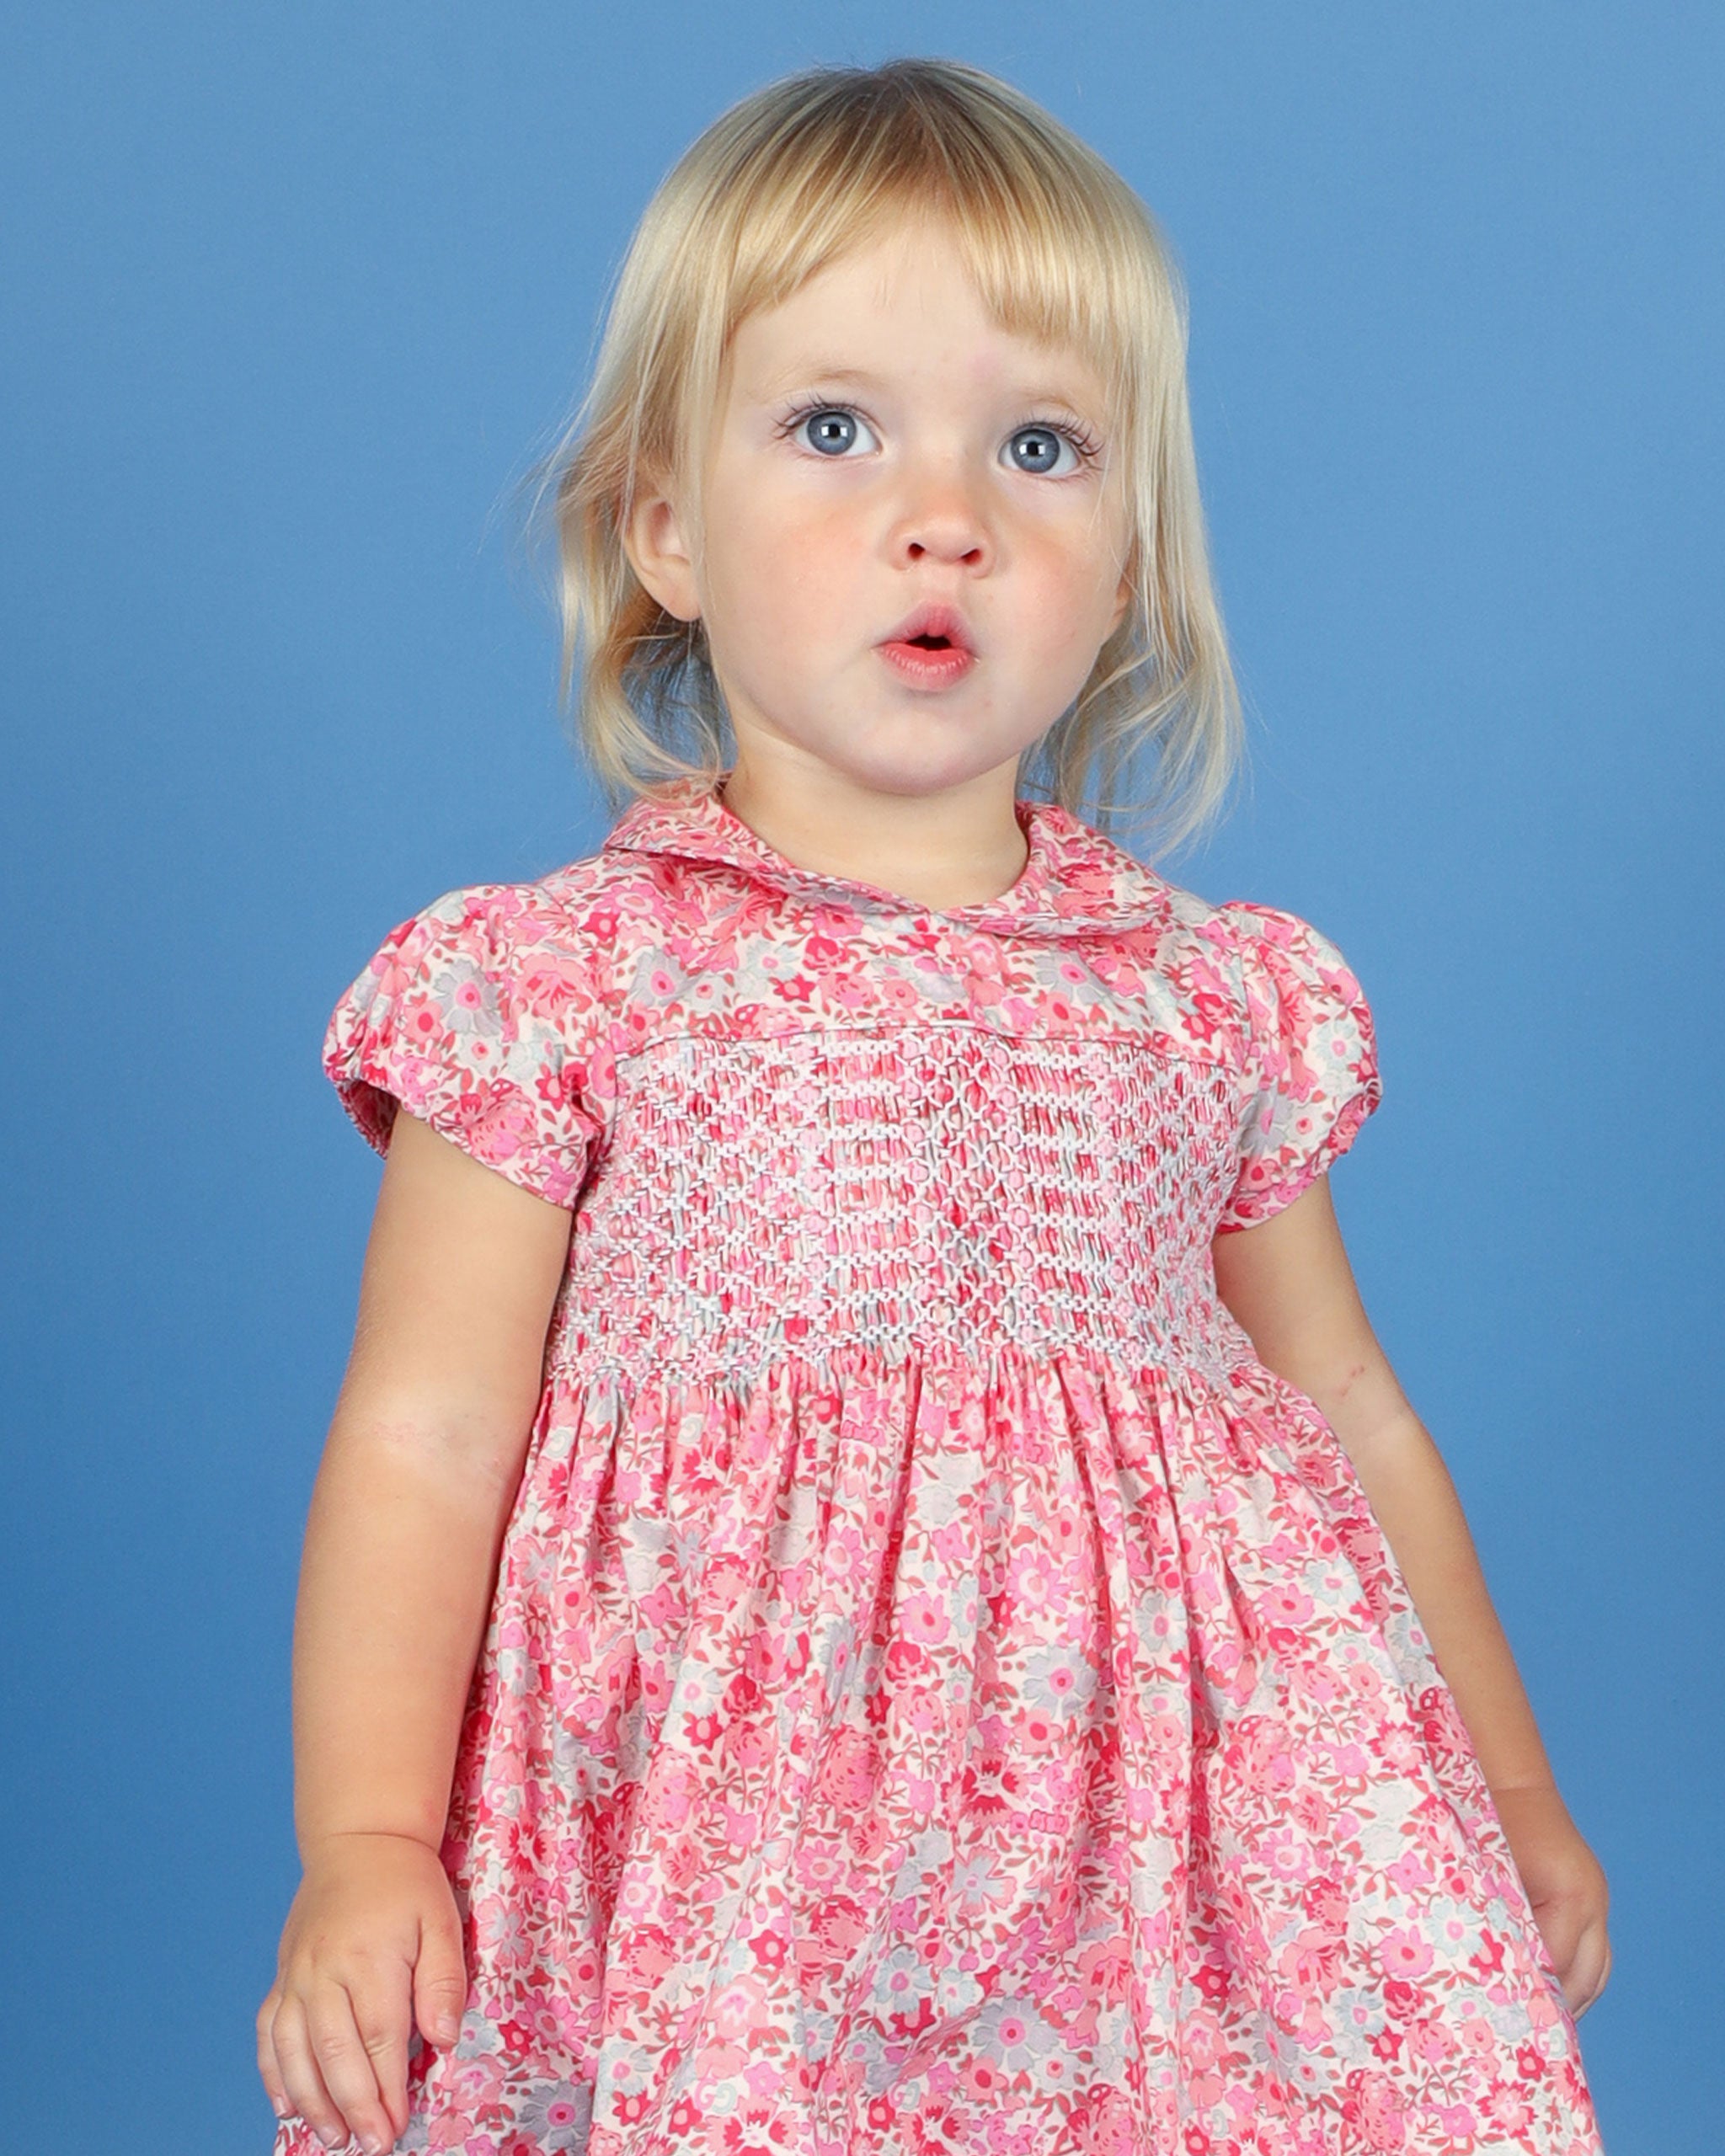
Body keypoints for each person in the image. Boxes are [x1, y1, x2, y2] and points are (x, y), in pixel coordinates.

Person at [256, 56, 1611, 2156]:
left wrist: (1506, 1780)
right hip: (744, 1856)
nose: (944, 512)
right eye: (831, 427)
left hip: (1166, 1852)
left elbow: (1343, 1401)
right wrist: (362, 1830)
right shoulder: (561, 983)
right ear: (666, 529)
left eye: (1042, 446)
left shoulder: (1202, 994)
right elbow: (428, 1422)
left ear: (1129, 560)